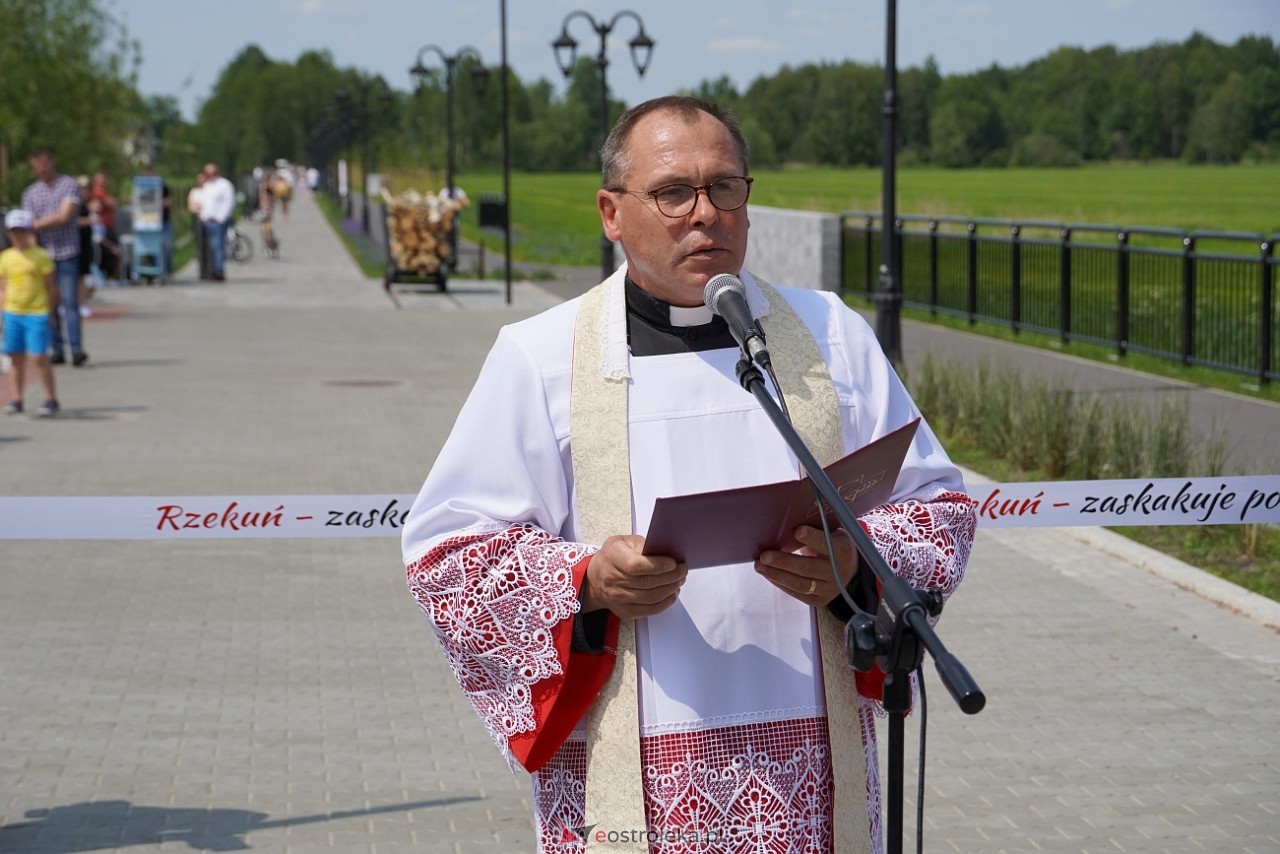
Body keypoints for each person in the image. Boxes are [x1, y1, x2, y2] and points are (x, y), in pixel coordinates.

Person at [401, 96, 978, 853]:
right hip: (631, 771)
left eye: (724, 187)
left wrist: (858, 562)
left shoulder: (831, 332)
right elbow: (447, 551)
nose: (704, 213)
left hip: (815, 758)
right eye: (674, 192)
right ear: (612, 212)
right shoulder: (541, 357)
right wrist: (587, 580)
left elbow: (938, 504)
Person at [21, 147, 86, 366]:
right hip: (44, 256)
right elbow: (27, 227)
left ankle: (76, 349)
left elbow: (65, 216)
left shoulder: (68, 184)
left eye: (43, 164)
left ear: (51, 162)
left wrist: (37, 224)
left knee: (69, 302)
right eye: (36, 166)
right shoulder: (31, 193)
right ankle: (56, 348)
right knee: (49, 302)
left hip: (67, 252)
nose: (40, 169)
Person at [1, 209, 60, 416]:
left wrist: (52, 312)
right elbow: (3, 286)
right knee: (14, 356)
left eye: (21, 231)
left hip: (36, 312)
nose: (18, 235)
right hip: (13, 312)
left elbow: (51, 287)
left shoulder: (40, 256)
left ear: (29, 232)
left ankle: (50, 398)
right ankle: (16, 398)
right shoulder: (6, 257)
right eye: (14, 231)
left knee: (38, 357)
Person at [198, 162, 236, 282]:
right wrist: (204, 216)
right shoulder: (207, 186)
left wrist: (221, 217)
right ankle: (209, 269)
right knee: (210, 247)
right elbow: (205, 202)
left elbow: (229, 201)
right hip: (207, 220)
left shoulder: (224, 185)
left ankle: (218, 270)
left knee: (218, 246)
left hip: (218, 221)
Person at [186, 171, 210, 281]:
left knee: (210, 246)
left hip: (210, 219)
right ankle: (202, 271)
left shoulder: (210, 191)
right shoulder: (195, 192)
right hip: (199, 219)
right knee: (201, 245)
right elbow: (192, 207)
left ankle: (210, 269)